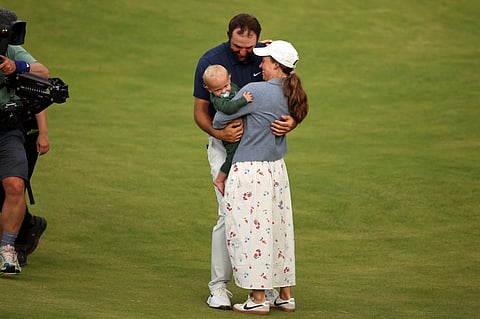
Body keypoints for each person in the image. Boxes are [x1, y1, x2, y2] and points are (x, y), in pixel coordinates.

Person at [193, 13, 297, 310]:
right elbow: (200, 111)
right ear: (229, 36)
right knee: (229, 216)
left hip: (257, 153)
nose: (243, 52)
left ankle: (263, 286)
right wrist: (219, 130)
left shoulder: (262, 58)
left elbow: (288, 97)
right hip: (225, 148)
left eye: (248, 47)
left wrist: (291, 122)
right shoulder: (211, 60)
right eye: (237, 45)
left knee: (263, 219)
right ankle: (219, 286)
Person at [213, 40, 308, 315]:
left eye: (265, 61)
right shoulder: (294, 93)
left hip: (250, 171)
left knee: (250, 232)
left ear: (276, 65)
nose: (261, 65)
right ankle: (285, 295)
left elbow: (220, 118)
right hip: (277, 169)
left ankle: (257, 298)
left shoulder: (254, 90)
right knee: (278, 230)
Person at [0, 7, 50, 274]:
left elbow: (42, 74)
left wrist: (16, 66)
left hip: (8, 131)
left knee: (15, 185)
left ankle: (7, 249)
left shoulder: (11, 52)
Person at [203, 64, 253, 196]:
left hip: (239, 128)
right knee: (232, 157)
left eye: (225, 86)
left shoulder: (233, 88)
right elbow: (229, 108)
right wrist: (244, 100)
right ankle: (220, 179)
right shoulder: (217, 100)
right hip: (228, 134)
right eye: (218, 90)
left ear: (229, 79)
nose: (224, 91)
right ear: (209, 90)